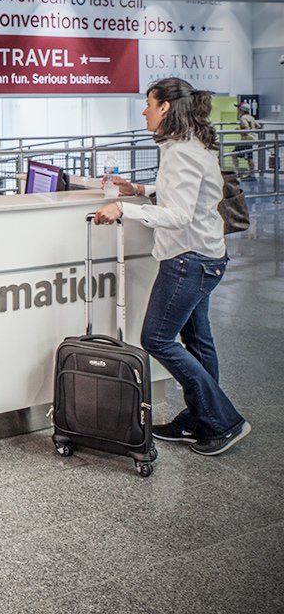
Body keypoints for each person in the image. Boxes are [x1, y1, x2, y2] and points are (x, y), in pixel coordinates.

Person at [94, 77, 249, 456]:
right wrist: (143, 191)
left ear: (165, 107)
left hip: (188, 260)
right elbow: (191, 195)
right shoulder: (189, 144)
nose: (144, 111)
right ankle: (200, 420)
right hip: (205, 255)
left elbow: (179, 215)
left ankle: (223, 420)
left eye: (148, 103)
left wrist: (123, 208)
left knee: (157, 339)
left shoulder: (180, 151)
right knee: (197, 340)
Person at [234, 101, 262, 179]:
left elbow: (246, 128)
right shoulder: (251, 117)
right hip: (251, 139)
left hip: (246, 140)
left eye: (239, 109)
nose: (238, 110)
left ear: (242, 110)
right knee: (249, 157)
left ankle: (238, 173)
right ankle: (252, 174)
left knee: (234, 155)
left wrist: (238, 129)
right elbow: (258, 126)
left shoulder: (243, 118)